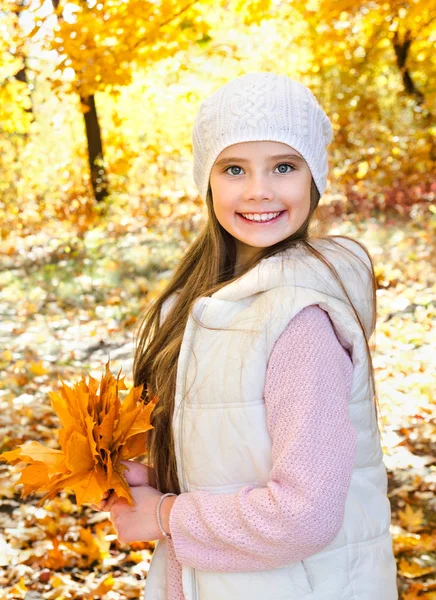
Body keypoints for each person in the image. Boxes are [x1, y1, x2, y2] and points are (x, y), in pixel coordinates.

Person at [94, 72, 398, 600]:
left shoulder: (298, 320)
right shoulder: (207, 303)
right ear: (207, 180)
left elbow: (302, 514)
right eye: (234, 168)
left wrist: (165, 515)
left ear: (314, 179)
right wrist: (154, 479)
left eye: (284, 166)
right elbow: (235, 448)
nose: (259, 190)